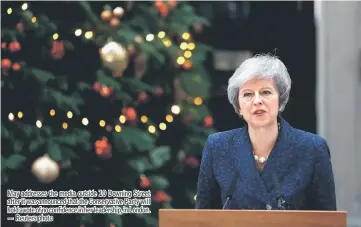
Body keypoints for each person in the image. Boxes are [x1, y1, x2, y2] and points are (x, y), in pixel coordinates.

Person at [195, 54, 337, 210]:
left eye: (266, 92)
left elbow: (327, 220)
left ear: (281, 100)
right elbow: (203, 216)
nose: (257, 101)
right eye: (248, 94)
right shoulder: (217, 147)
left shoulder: (313, 148)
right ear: (239, 106)